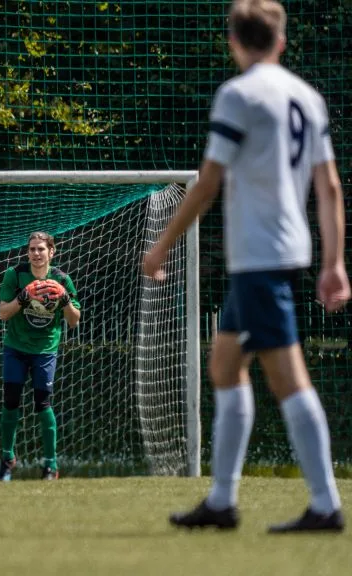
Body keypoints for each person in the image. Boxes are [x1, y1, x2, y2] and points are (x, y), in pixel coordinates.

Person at [143, 0, 346, 532]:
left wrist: (162, 246)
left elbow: (208, 182)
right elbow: (327, 187)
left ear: (234, 41)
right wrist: (334, 262)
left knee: (289, 380)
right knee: (225, 362)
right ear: (280, 42)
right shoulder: (307, 96)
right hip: (278, 255)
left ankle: (325, 505)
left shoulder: (239, 95)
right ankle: (222, 500)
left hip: (260, 258)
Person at [0, 231, 81, 481]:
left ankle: (50, 465)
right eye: (32, 249)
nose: (36, 253)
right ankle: (7, 459)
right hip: (16, 347)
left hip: (44, 351)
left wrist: (65, 300)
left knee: (43, 404)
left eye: (41, 249)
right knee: (11, 401)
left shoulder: (62, 279)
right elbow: (3, 313)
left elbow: (74, 321)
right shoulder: (15, 274)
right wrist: (23, 297)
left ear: (51, 252)